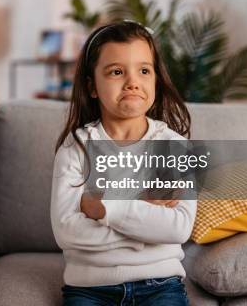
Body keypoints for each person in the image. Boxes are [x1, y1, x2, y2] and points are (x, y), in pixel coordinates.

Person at [50, 21, 197, 306]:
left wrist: (104, 206)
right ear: (92, 86)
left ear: (155, 79)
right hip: (89, 290)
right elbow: (67, 232)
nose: (132, 81)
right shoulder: (75, 148)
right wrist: (144, 231)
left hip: (162, 286)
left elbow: (178, 228)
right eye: (117, 72)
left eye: (144, 70)